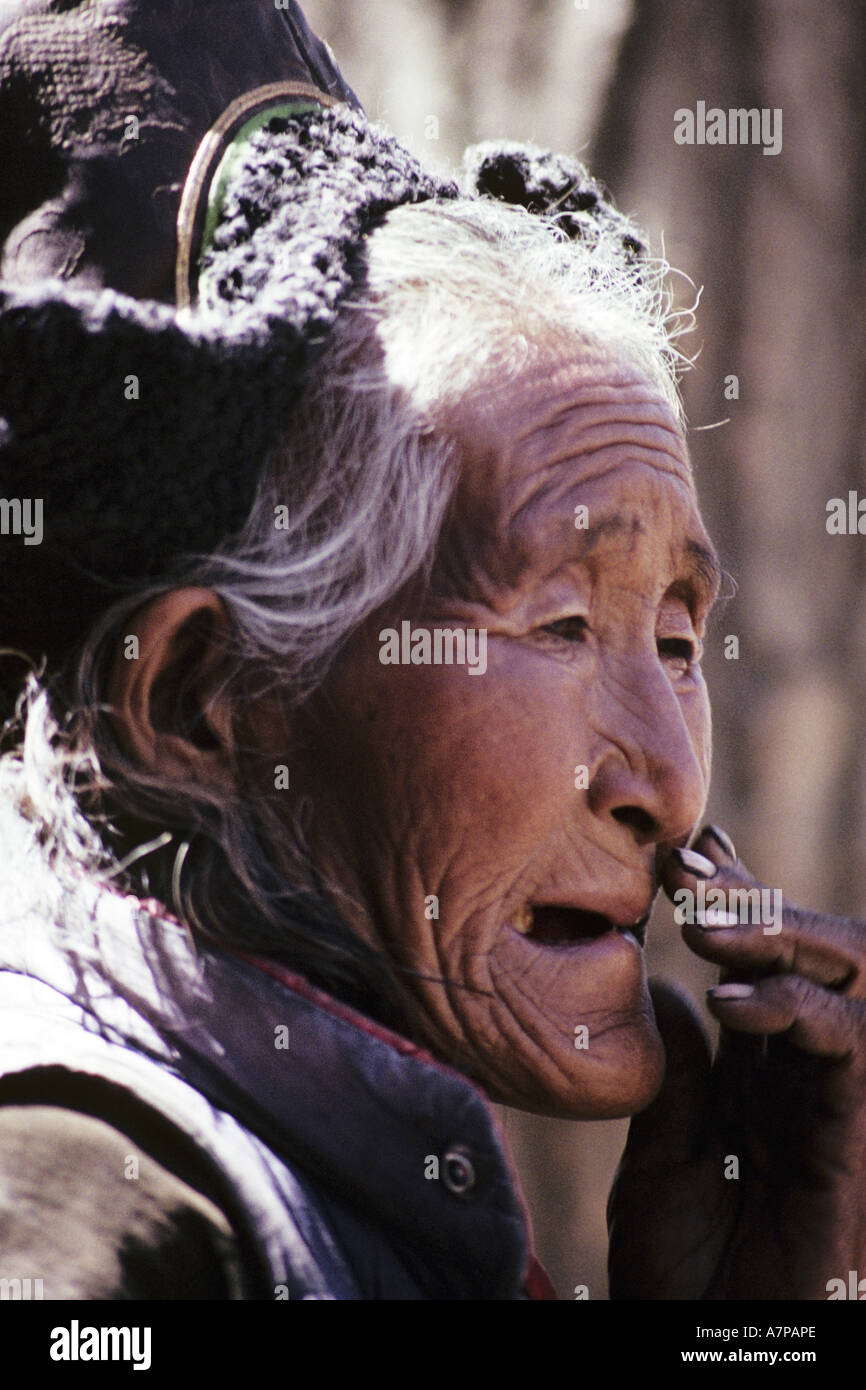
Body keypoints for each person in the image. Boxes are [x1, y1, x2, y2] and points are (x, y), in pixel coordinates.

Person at [2, 0, 866, 1302]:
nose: (670, 790)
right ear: (197, 699)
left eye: (677, 635)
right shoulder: (93, 1233)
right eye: (561, 624)